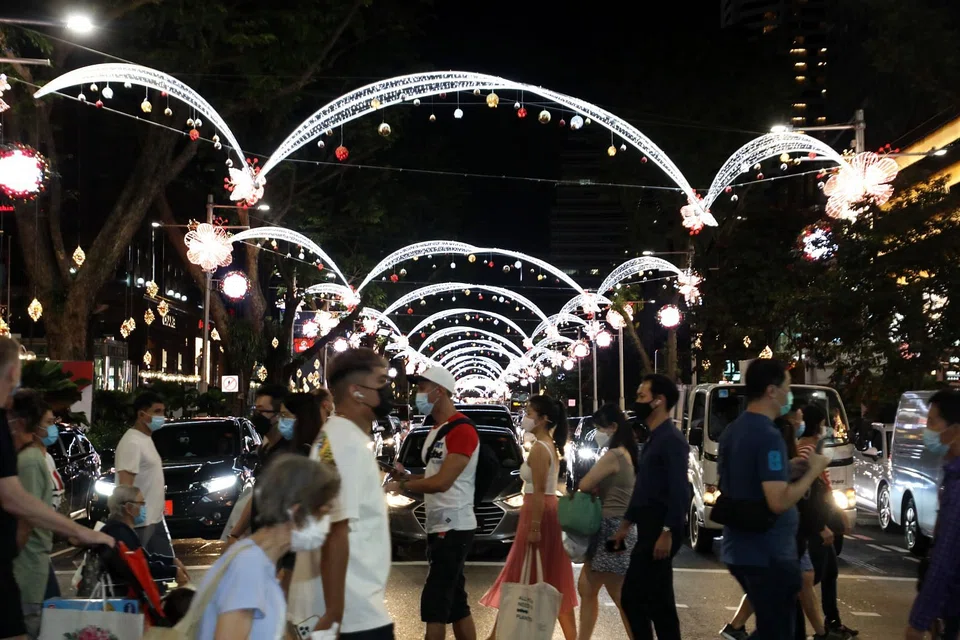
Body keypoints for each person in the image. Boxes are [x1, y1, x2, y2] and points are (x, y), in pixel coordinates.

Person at [0, 337, 114, 640]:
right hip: (21, 571)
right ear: (12, 372)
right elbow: (18, 503)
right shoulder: (25, 457)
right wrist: (80, 532)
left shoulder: (30, 452)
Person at [719, 359, 830, 640]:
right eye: (787, 388)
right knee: (778, 631)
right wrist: (813, 471)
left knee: (776, 628)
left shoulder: (734, 430)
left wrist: (789, 469)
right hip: (768, 552)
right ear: (771, 390)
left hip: (739, 548)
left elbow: (743, 478)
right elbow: (778, 501)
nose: (789, 395)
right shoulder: (768, 435)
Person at [188, 454, 340, 640]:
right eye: (323, 513)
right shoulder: (249, 567)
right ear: (296, 512)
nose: (328, 524)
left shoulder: (257, 560)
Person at [302, 348, 395, 638]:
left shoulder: (341, 437)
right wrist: (335, 611)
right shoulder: (343, 442)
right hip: (355, 614)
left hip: (357, 608)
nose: (388, 389)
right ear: (357, 391)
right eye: (381, 381)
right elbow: (335, 527)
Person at [384, 366, 479, 640]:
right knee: (457, 603)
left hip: (455, 525)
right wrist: (406, 476)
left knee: (435, 603)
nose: (418, 394)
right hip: (438, 523)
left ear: (440, 392)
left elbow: (443, 482)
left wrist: (403, 486)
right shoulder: (437, 429)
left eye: (423, 388)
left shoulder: (462, 430)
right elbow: (433, 475)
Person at [481, 394, 578, 640]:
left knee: (524, 576)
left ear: (543, 419)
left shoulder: (540, 449)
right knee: (549, 578)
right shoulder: (548, 445)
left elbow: (538, 491)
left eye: (529, 413)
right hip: (543, 512)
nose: (525, 417)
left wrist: (534, 527)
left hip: (539, 514)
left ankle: (495, 636)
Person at [609, 375, 686, 640]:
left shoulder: (672, 440)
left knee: (635, 599)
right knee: (656, 602)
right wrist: (625, 525)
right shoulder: (655, 437)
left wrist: (668, 531)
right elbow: (644, 488)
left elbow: (679, 489)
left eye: (642, 396)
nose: (637, 402)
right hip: (649, 528)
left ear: (658, 401)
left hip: (659, 529)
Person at [576, 403, 638, 640]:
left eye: (600, 428)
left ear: (613, 427)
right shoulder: (627, 453)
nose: (597, 434)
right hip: (618, 527)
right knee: (591, 588)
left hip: (611, 529)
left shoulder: (614, 455)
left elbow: (585, 484)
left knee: (611, 592)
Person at [797, 405, 857, 638]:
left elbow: (824, 487)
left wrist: (837, 512)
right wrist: (821, 526)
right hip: (814, 522)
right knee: (812, 577)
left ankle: (832, 623)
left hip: (821, 519)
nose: (826, 429)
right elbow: (808, 492)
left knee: (829, 571)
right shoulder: (806, 450)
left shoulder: (813, 448)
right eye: (823, 424)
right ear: (816, 424)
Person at [906, 389, 960, 640]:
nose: (926, 430)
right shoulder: (951, 474)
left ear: (955, 429)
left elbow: (945, 559)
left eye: (932, 422)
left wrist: (919, 621)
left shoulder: (958, 484)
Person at [9, 390, 57, 639]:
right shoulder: (30, 458)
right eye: (48, 422)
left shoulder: (30, 459)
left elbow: (26, 519)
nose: (51, 428)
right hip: (30, 569)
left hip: (29, 569)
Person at [226, 384, 289, 546]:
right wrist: (235, 534)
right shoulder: (265, 449)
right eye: (256, 410)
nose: (257, 416)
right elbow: (257, 496)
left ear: (278, 415)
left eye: (262, 411)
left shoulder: (287, 454)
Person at [115, 391, 173, 557]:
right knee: (140, 567)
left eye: (163, 411)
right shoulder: (132, 442)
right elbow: (125, 485)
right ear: (141, 415)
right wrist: (133, 516)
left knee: (167, 567)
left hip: (155, 519)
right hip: (140, 522)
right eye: (157, 411)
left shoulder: (145, 439)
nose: (161, 416)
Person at [100, 485, 189, 590]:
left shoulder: (120, 529)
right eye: (141, 503)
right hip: (125, 591)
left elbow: (145, 558)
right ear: (129, 508)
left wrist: (172, 561)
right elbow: (142, 567)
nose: (144, 507)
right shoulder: (120, 533)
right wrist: (174, 571)